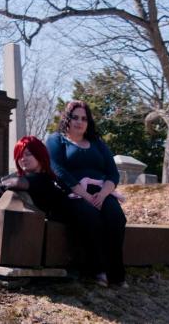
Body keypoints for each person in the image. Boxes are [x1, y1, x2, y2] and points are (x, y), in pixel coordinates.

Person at [46, 100, 127, 287]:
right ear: (67, 119)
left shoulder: (97, 143)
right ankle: (98, 270)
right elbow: (58, 170)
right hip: (72, 194)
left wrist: (103, 195)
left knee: (116, 216)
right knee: (90, 216)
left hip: (102, 193)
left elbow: (112, 173)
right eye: (75, 117)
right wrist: (85, 195)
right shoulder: (56, 140)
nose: (79, 122)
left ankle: (116, 273)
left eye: (84, 118)